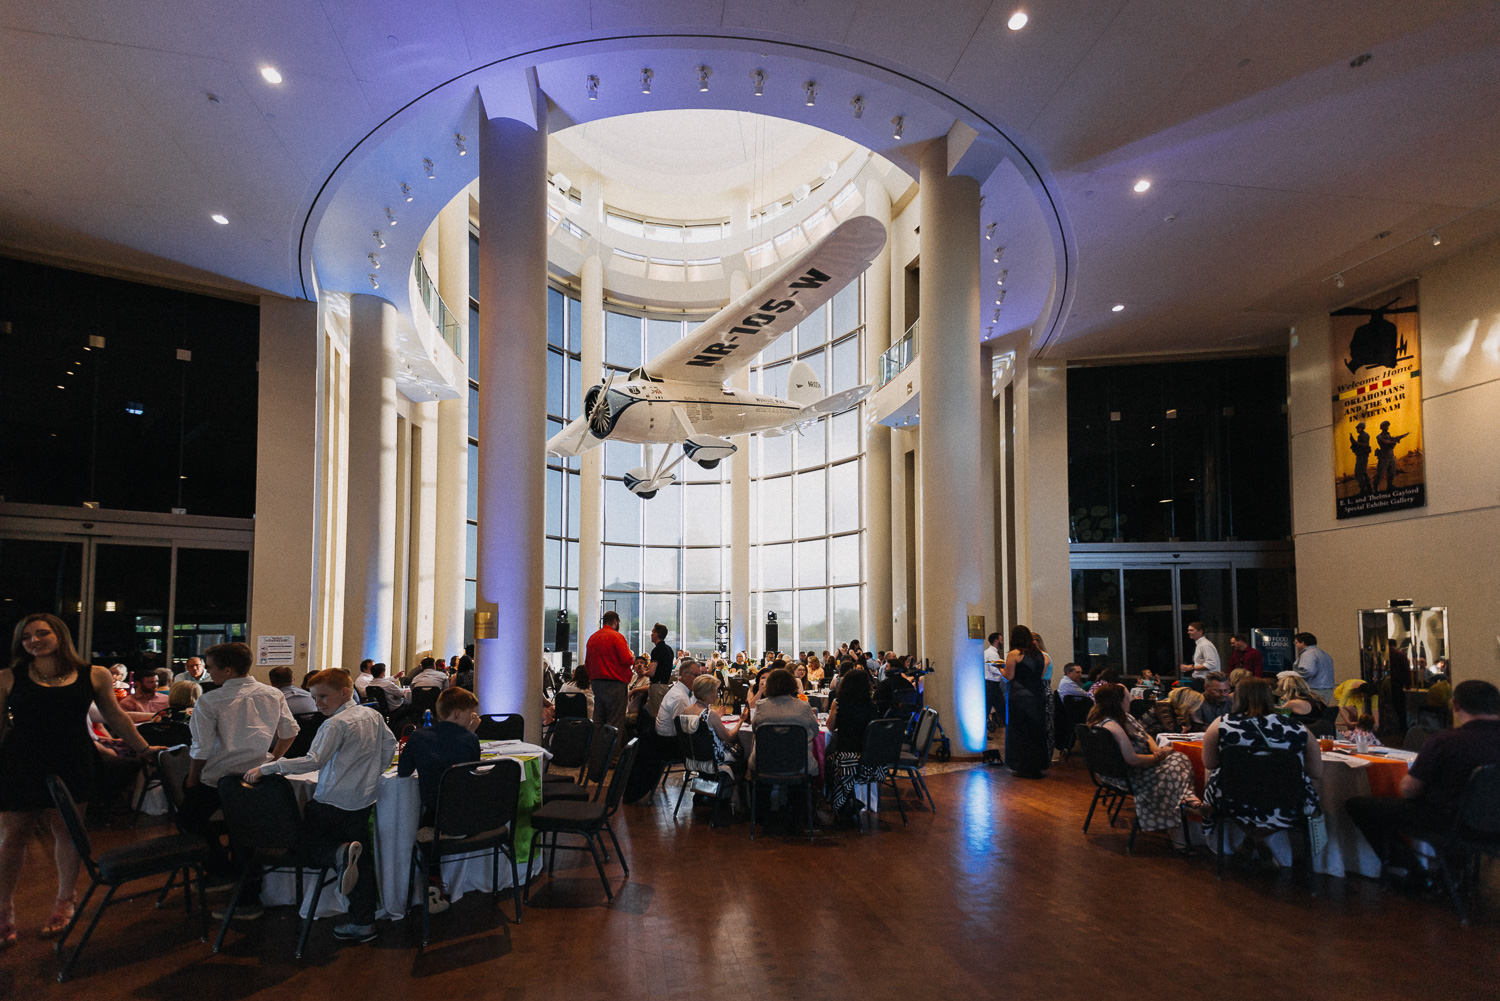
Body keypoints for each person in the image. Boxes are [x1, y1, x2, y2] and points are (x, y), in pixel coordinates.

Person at [0, 614, 166, 947]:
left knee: (67, 830)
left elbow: (115, 716)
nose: (34, 640)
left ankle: (65, 900)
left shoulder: (95, 674)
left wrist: (144, 748)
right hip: (20, 761)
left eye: (41, 633)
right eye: (26, 636)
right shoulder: (7, 677)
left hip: (72, 760)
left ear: (59, 635)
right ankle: (3, 908)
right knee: (12, 836)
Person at [246, 668, 396, 944]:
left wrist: (269, 767)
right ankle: (363, 923)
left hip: (331, 801)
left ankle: (337, 856)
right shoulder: (372, 715)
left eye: (324, 697)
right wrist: (374, 772)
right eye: (315, 698)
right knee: (358, 861)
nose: (319, 704)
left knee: (298, 844)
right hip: (362, 801)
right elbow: (390, 746)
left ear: (345, 692)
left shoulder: (335, 724)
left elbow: (314, 760)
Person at [179, 641, 299, 917]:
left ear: (228, 670)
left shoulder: (210, 700)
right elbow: (290, 731)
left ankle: (223, 871)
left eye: (210, 668)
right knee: (245, 834)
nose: (208, 673)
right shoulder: (272, 694)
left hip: (219, 778)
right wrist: (273, 759)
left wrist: (192, 777)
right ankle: (245, 893)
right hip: (258, 777)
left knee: (188, 819)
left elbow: (202, 748)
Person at [1346, 680, 1500, 888]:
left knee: (1359, 805)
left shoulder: (1445, 742)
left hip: (1449, 822)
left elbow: (1410, 789)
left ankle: (1414, 870)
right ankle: (1454, 869)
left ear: (1455, 705)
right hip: (1493, 825)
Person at [1203, 676, 1322, 868]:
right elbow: (1316, 772)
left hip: (1235, 799)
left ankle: (1248, 840)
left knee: (1216, 781)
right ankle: (1264, 840)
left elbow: (1209, 763)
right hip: (1287, 802)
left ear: (1238, 698)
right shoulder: (1298, 728)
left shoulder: (1220, 724)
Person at [1086, 684, 1199, 849]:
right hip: (1130, 775)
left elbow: (1145, 735)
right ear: (1117, 702)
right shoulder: (1112, 727)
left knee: (1179, 760)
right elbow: (1133, 760)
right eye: (1126, 697)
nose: (1130, 700)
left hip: (1134, 768)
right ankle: (1180, 820)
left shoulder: (1124, 718)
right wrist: (1158, 757)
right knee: (1179, 760)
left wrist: (1156, 749)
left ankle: (1180, 814)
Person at [397, 686, 482, 823]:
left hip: (434, 816)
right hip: (465, 816)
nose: (472, 716)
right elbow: (472, 770)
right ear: (458, 713)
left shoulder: (418, 736)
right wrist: (470, 731)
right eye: (470, 712)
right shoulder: (471, 739)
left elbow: (403, 771)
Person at [822, 666, 881, 823]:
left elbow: (830, 727)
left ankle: (834, 800)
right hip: (871, 760)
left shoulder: (839, 703)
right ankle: (850, 800)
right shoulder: (872, 707)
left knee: (825, 759)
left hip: (846, 757)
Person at [1001, 624, 1053, 778]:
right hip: (1037, 696)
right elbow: (1041, 675)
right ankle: (1037, 765)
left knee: (1020, 731)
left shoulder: (1014, 654)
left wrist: (1000, 669)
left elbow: (1009, 676)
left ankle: (1021, 765)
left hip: (1019, 697)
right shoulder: (1041, 655)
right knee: (1036, 731)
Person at [748, 668, 820, 776]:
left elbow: (755, 729)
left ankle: (763, 791)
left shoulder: (761, 706)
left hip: (765, 763)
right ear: (792, 685)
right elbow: (815, 732)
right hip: (799, 764)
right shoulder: (804, 706)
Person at [585, 611, 634, 750]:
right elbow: (627, 660)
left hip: (597, 684)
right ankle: (611, 758)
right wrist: (631, 655)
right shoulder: (617, 637)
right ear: (615, 621)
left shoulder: (593, 638)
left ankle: (595, 755)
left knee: (598, 721)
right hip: (615, 684)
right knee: (615, 722)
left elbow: (587, 663)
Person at [655, 659, 703, 754]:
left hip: (671, 738)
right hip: (670, 744)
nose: (699, 679)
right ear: (685, 675)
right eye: (696, 675)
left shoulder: (683, 690)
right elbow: (683, 729)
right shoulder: (679, 697)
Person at [1293, 632, 1335, 701]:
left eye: (1296, 643)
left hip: (1314, 690)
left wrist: (1292, 674)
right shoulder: (1323, 653)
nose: (1296, 645)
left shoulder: (1308, 654)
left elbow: (1308, 671)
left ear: (1302, 643)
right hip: (1326, 689)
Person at [1373, 420, 1409, 491]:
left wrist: (1397, 439)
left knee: (1392, 471)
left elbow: (1391, 444)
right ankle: (1375, 488)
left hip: (1390, 454)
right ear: (1381, 427)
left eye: (1387, 425)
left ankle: (1390, 486)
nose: (1386, 427)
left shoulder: (1389, 435)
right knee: (1380, 473)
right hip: (1383, 456)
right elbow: (1386, 442)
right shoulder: (1379, 436)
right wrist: (1394, 441)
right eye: (1385, 426)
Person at [1386, 639, 1411, 735]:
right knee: (1400, 708)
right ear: (1395, 645)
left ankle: (1389, 728)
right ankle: (1402, 728)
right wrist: (1407, 684)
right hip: (1398, 685)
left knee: (1387, 708)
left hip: (1385, 685)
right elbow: (1406, 670)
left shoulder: (1386, 655)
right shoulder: (1400, 655)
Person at [984, 632, 1006, 732]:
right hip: (992, 685)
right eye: (1001, 640)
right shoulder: (993, 653)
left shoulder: (986, 652)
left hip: (989, 684)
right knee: (1001, 707)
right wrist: (1004, 674)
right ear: (996, 641)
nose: (1003, 642)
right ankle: (1009, 729)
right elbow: (994, 668)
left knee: (987, 708)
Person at [1349, 420, 1373, 495]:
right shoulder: (1361, 436)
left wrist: (1354, 442)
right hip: (1361, 456)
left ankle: (1364, 489)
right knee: (1363, 473)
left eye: (1358, 428)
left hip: (1362, 456)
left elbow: (1365, 445)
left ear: (1362, 428)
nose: (1357, 429)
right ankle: (1368, 489)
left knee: (1358, 473)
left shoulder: (1364, 435)